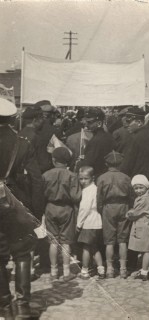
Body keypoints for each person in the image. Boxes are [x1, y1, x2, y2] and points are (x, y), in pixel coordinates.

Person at [0, 98, 44, 319]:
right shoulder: (22, 142)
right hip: (16, 205)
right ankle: (23, 308)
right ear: (12, 118)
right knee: (23, 254)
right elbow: (37, 180)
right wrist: (35, 212)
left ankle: (5, 307)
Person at [42, 147, 81, 281]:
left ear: (53, 160)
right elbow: (76, 197)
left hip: (50, 207)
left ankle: (53, 272)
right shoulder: (72, 176)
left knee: (53, 241)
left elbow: (41, 194)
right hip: (66, 208)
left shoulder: (46, 175)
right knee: (66, 242)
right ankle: (66, 272)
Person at [96, 151, 134, 279]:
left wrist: (101, 210)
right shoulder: (126, 178)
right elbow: (131, 196)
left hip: (108, 208)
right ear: (120, 163)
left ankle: (110, 269)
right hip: (123, 206)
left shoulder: (101, 178)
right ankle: (123, 269)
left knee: (109, 241)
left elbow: (99, 198)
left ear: (107, 163)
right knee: (123, 240)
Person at [76, 166, 105, 280]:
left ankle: (84, 270)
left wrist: (79, 224)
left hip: (89, 222)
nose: (83, 181)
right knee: (94, 247)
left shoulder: (88, 191)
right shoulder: (95, 188)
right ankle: (101, 269)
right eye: (81, 179)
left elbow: (85, 208)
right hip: (96, 222)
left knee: (86, 248)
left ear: (92, 178)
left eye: (85, 179)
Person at [126, 175, 149, 281]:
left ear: (146, 187)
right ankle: (144, 271)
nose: (138, 190)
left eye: (141, 187)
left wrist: (128, 214)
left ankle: (144, 271)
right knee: (146, 250)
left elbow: (135, 213)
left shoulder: (143, 199)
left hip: (143, 226)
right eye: (136, 188)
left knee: (145, 250)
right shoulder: (147, 197)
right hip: (148, 226)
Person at [120, 107, 149, 180]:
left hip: (138, 182)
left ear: (139, 123)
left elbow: (126, 165)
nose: (126, 125)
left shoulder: (133, 138)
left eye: (128, 122)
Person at [79, 108, 115, 177]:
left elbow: (88, 164)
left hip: (97, 177)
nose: (86, 125)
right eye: (86, 122)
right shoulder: (109, 137)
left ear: (99, 123)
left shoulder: (95, 141)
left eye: (89, 122)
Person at [34, 101, 60, 173]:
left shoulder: (32, 128)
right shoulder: (54, 131)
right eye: (55, 115)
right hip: (49, 167)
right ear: (50, 115)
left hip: (33, 167)